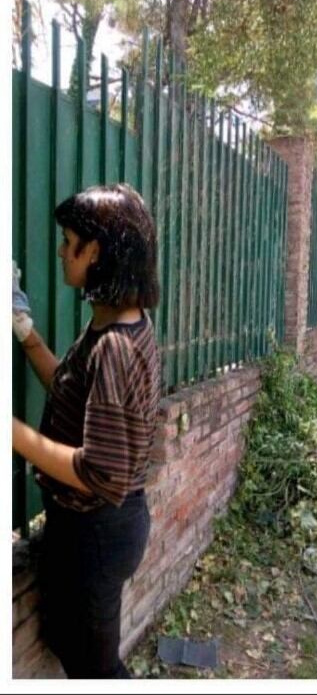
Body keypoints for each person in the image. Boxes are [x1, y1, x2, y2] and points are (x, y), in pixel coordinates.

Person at [12, 183, 161, 679]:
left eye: (67, 238)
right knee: (65, 639)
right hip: (86, 527)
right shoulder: (111, 321)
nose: (59, 249)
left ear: (94, 250)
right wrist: (26, 332)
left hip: (97, 532)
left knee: (97, 670)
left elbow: (101, 473)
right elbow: (71, 389)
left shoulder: (117, 345)